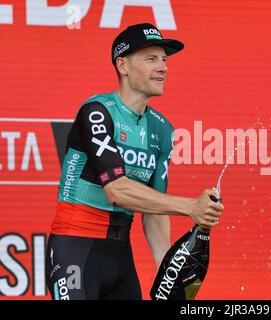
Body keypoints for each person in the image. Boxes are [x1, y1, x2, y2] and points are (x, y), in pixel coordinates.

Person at [45, 23, 224, 300]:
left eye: (164, 59)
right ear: (123, 66)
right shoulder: (96, 112)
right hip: (75, 246)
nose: (163, 67)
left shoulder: (163, 129)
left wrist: (167, 268)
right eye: (151, 59)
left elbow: (154, 208)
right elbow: (117, 191)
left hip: (119, 255)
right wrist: (191, 207)